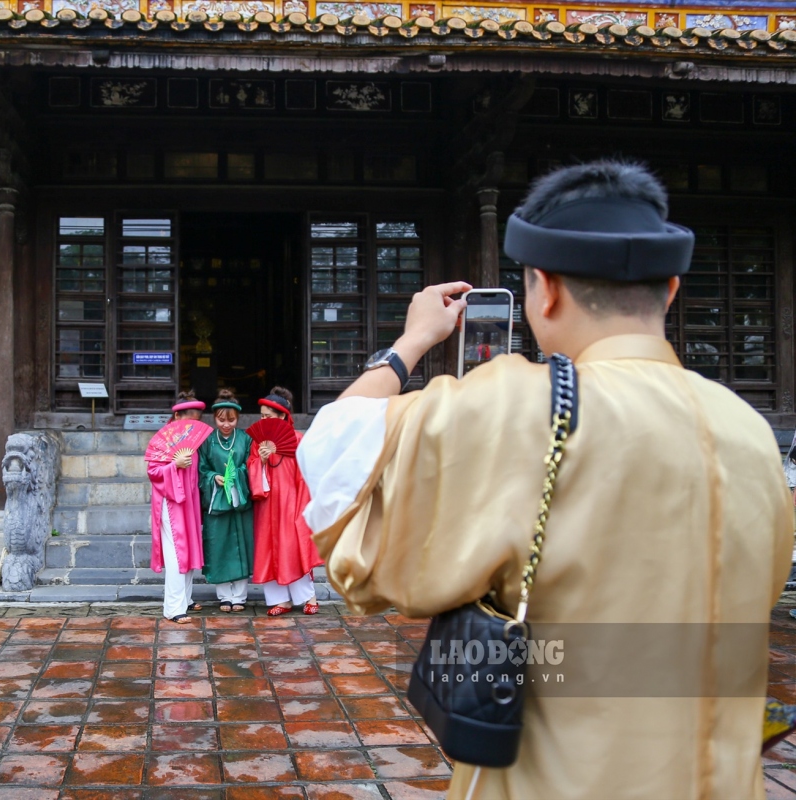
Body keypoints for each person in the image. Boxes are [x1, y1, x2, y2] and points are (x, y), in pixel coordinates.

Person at [299, 160, 795, 799]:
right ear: (670, 289)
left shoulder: (519, 407)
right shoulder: (750, 430)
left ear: (544, 289)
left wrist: (410, 343)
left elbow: (334, 451)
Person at [249, 386, 324, 616]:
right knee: (268, 550)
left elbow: (305, 477)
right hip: (267, 503)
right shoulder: (258, 443)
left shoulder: (297, 440)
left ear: (283, 416)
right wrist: (259, 462)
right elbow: (251, 469)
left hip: (292, 503)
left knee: (293, 548)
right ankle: (280, 600)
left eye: (268, 417)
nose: (264, 420)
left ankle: (308, 597)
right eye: (261, 416)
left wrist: (302, 505)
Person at [146, 391, 209, 624]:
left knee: (190, 548)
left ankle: (186, 598)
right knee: (175, 552)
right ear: (176, 417)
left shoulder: (194, 441)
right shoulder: (163, 441)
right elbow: (153, 472)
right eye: (189, 419)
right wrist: (175, 465)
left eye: (197, 420)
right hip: (170, 502)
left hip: (190, 501)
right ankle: (173, 607)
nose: (193, 425)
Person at [198, 389, 254, 612]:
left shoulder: (246, 438)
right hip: (217, 500)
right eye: (221, 420)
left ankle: (239, 596)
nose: (226, 425)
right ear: (214, 418)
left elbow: (251, 465)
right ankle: (224, 596)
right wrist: (214, 478)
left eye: (231, 420)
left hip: (239, 500)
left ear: (237, 418)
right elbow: (202, 470)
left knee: (240, 544)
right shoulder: (207, 441)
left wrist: (236, 475)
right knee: (218, 544)